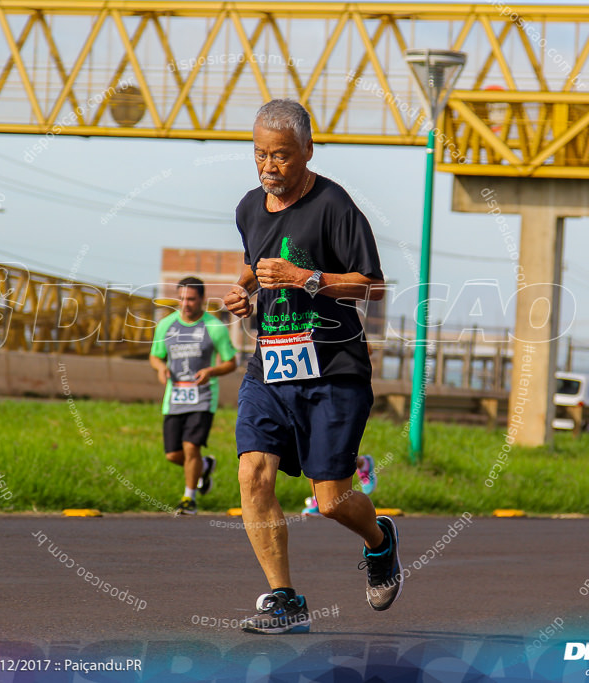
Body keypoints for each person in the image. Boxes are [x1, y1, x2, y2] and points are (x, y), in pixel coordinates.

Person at [223, 99, 401, 635]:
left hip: (333, 371)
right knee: (253, 474)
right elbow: (258, 260)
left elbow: (373, 285)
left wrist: (307, 279)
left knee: (331, 500)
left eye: (280, 156)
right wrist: (242, 288)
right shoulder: (248, 207)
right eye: (259, 155)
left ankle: (380, 540)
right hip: (271, 366)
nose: (268, 167)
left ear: (307, 151)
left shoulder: (335, 206)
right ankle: (284, 599)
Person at [150, 277, 238, 515]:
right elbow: (155, 355)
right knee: (173, 454)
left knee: (191, 448)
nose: (185, 304)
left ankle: (189, 499)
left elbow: (231, 363)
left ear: (201, 300)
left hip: (203, 397)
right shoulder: (166, 325)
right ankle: (205, 465)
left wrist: (211, 371)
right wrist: (161, 368)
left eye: (190, 299)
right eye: (181, 299)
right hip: (174, 398)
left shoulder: (214, 327)